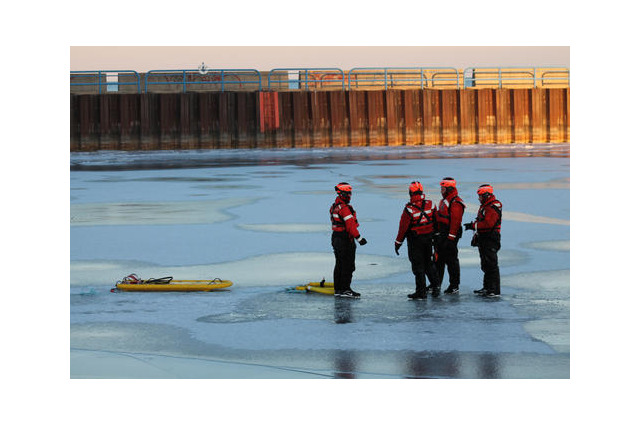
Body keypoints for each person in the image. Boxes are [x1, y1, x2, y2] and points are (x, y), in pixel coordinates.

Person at [394, 181, 440, 299]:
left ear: (410, 193)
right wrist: (436, 236)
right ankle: (436, 287)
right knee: (429, 264)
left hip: (416, 242)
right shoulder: (431, 204)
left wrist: (398, 243)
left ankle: (421, 292)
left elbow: (403, 228)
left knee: (418, 266)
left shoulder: (409, 209)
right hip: (429, 240)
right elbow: (436, 221)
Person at [464, 184, 502, 297]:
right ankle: (487, 287)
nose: (479, 198)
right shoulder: (486, 205)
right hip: (484, 238)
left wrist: (473, 226)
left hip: (490, 238)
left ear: (486, 195)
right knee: (485, 264)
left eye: (480, 196)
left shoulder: (492, 207)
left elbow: (489, 224)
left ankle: (494, 290)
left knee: (491, 264)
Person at [330, 182, 367, 298]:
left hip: (336, 238)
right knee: (348, 265)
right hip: (345, 239)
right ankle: (345, 289)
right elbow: (350, 226)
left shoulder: (334, 206)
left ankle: (339, 289)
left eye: (350, 193)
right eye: (347, 193)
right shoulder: (344, 209)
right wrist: (359, 238)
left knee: (339, 264)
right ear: (342, 194)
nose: (350, 196)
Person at [434, 177, 466, 294]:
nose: (441, 191)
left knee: (451, 260)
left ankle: (454, 285)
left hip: (450, 235)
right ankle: (436, 284)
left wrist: (451, 237)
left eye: (443, 189)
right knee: (439, 260)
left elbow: (456, 221)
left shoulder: (456, 202)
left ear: (449, 189)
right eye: (441, 188)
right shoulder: (445, 201)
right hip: (442, 234)